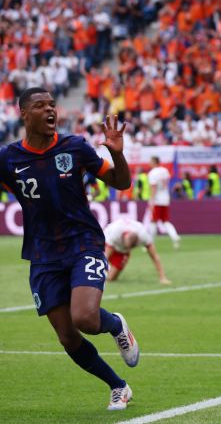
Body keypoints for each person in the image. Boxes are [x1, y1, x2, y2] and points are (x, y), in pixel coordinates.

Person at [0, 88, 139, 410]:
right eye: (40, 106)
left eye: (52, 104)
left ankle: (115, 325)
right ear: (24, 114)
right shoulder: (8, 158)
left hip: (83, 243)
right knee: (67, 336)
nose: (50, 110)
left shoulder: (74, 147)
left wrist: (117, 153)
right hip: (42, 254)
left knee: (86, 318)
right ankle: (118, 386)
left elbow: (121, 182)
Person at [104, 218, 171, 285]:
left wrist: (163, 277)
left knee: (111, 278)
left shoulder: (143, 235)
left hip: (122, 252)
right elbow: (105, 256)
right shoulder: (115, 233)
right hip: (106, 243)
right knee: (101, 275)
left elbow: (154, 256)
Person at [147, 156, 181, 249]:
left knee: (153, 221)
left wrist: (152, 201)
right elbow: (166, 184)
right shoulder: (165, 171)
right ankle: (175, 237)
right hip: (165, 198)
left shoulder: (152, 173)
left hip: (157, 200)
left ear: (154, 162)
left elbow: (153, 188)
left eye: (150, 161)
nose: (149, 163)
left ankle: (150, 243)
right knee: (165, 221)